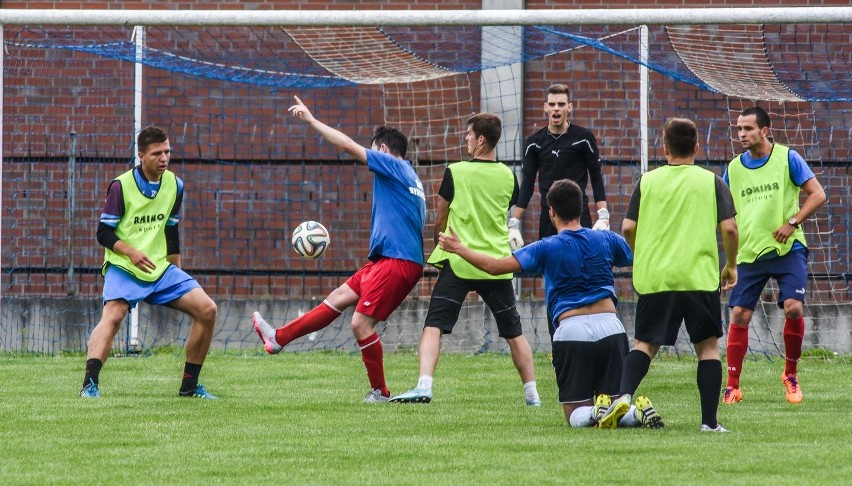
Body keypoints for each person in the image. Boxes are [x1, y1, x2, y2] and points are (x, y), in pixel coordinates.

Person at [437, 178, 663, 429]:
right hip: (611, 327)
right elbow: (639, 255)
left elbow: (494, 266)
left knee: (574, 413)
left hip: (571, 330)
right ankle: (636, 413)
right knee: (615, 406)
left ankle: (592, 413)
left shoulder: (546, 247)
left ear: (551, 212)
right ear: (582, 209)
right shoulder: (607, 240)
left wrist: (459, 248)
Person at [252, 96, 426, 404]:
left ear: (382, 149)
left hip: (396, 262)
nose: (371, 154)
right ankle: (278, 338)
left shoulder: (392, 164)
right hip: (390, 260)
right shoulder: (410, 174)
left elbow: (346, 146)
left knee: (361, 323)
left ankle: (380, 392)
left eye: (374, 149)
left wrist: (312, 121)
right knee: (336, 299)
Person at [389, 113, 540, 407]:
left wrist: (439, 240)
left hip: (459, 262)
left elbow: (441, 215)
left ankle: (424, 386)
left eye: (469, 134)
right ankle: (532, 396)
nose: (466, 139)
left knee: (434, 326)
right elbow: (505, 209)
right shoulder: (509, 176)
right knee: (514, 333)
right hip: (495, 264)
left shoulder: (455, 171)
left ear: (481, 139)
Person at [600, 118, 739, 432]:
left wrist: (642, 253)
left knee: (645, 344)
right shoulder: (711, 181)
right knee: (707, 347)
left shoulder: (648, 181)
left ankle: (623, 395)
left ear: (664, 148)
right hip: (697, 276)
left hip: (657, 275)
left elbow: (628, 227)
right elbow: (729, 228)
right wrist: (731, 265)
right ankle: (709, 423)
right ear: (696, 147)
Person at [79, 125, 218, 399]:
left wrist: (176, 269)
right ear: (141, 155)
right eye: (157, 153)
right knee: (114, 316)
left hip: (159, 269)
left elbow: (170, 230)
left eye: (167, 152)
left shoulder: (175, 185)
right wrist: (130, 252)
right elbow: (103, 232)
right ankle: (89, 385)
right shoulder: (121, 186)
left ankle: (189, 387)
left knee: (207, 309)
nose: (164, 158)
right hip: (124, 266)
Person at [722, 106, 827, 405]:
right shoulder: (733, 169)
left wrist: (792, 223)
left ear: (764, 130)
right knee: (740, 314)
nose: (741, 134)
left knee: (793, 307)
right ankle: (732, 386)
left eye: (748, 129)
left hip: (787, 248)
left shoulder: (787, 157)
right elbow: (725, 213)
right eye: (739, 129)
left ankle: (790, 375)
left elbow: (818, 194)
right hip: (749, 251)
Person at [508, 83, 609, 251]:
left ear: (569, 107)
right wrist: (514, 223)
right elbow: (527, 183)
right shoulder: (534, 143)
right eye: (552, 104)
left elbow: (596, 177)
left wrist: (604, 215)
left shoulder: (583, 138)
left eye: (561, 104)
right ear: (545, 107)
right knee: (550, 270)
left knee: (582, 267)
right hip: (549, 216)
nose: (556, 109)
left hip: (578, 214)